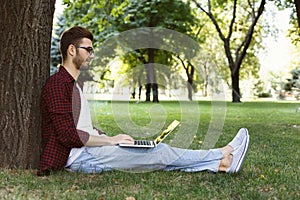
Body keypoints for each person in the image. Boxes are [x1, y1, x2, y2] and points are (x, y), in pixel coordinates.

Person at [37, 26, 250, 176]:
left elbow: (82, 128)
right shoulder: (58, 84)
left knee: (153, 158)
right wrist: (110, 141)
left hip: (89, 152)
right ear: (72, 50)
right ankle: (222, 153)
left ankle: (221, 165)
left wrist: (111, 137)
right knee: (159, 153)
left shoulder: (75, 85)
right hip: (80, 158)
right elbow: (69, 135)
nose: (92, 55)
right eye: (88, 49)